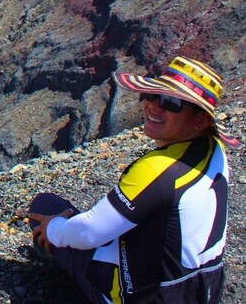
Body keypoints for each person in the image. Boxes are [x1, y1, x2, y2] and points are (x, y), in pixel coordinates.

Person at [28, 56, 237, 303]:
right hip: (202, 291)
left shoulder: (158, 170)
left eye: (171, 102)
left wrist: (53, 229)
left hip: (148, 296)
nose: (154, 107)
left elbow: (89, 233)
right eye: (152, 95)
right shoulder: (215, 151)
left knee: (45, 208)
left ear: (200, 121)